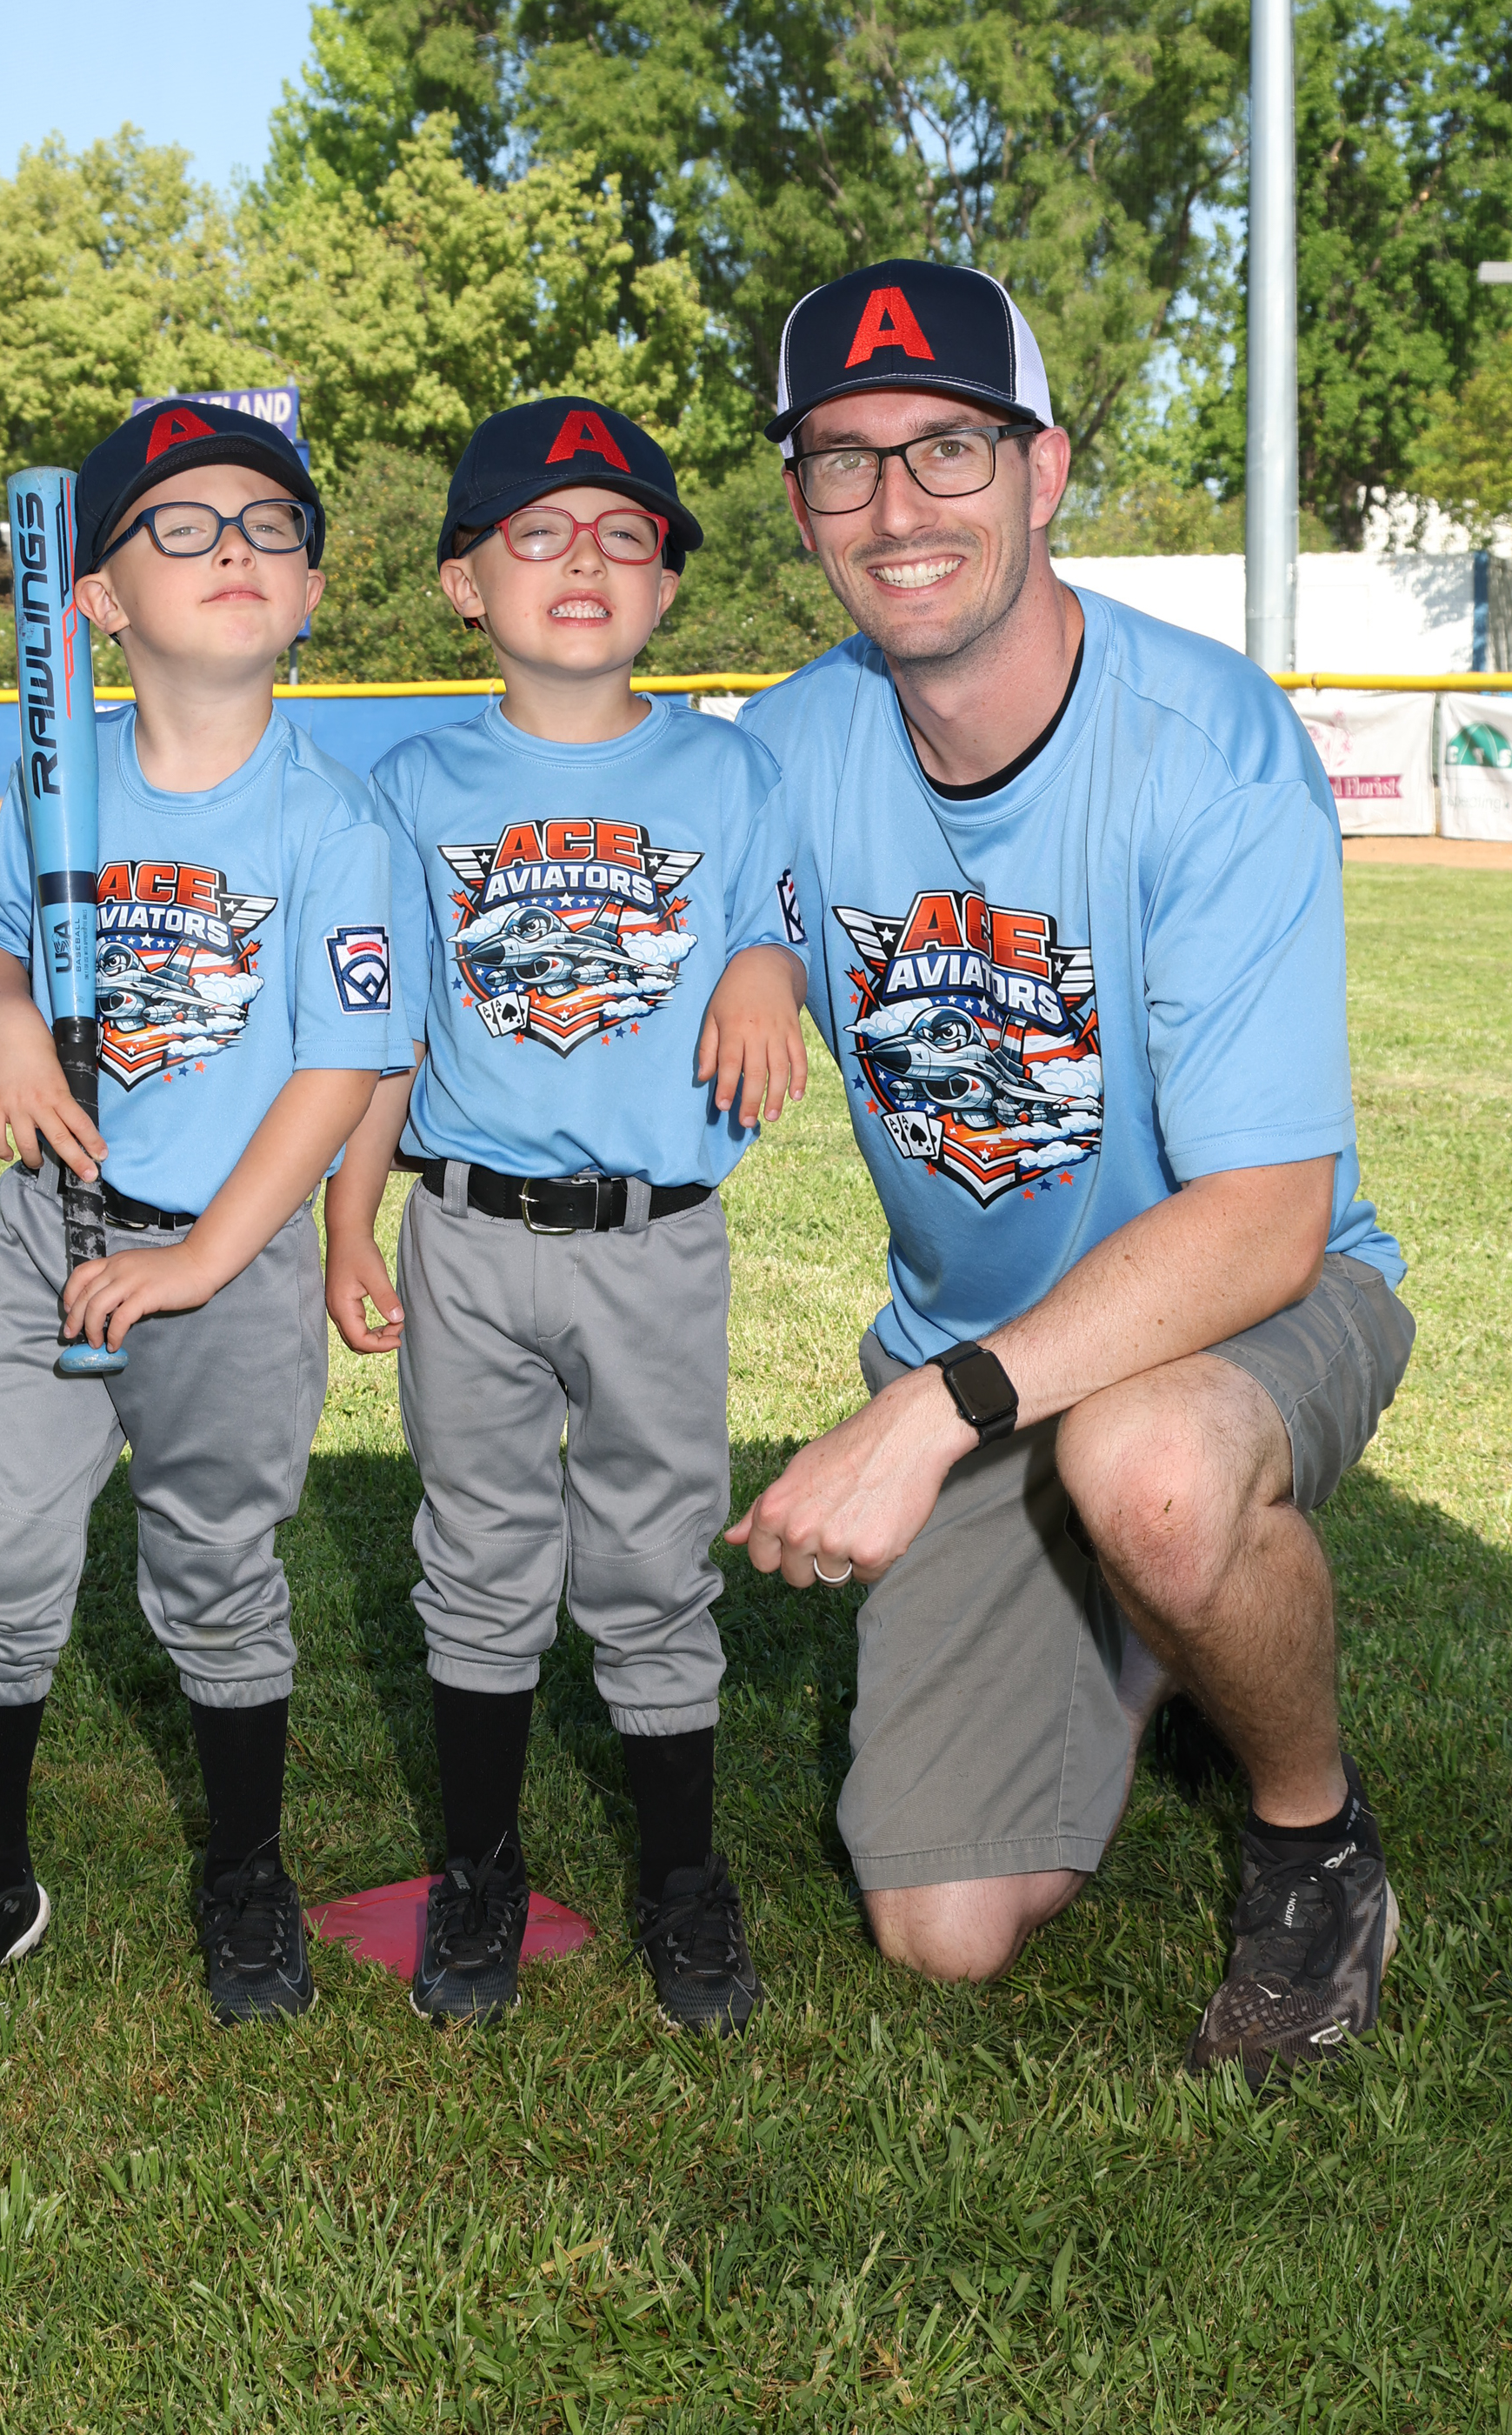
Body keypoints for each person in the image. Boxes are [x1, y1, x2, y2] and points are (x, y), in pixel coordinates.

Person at [731, 261, 1415, 2087]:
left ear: (1042, 470)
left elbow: (1265, 1215)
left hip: (1259, 1299)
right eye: (844, 459)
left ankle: (1310, 1837)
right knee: (944, 1928)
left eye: (947, 448)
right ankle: (1151, 1634)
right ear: (801, 504)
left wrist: (924, 1414)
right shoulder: (782, 752)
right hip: (992, 1348)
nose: (897, 505)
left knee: (1153, 1468)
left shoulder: (1206, 747)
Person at [0, 400, 408, 2031]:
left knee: (218, 1570)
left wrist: (202, 1260)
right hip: (53, 1230)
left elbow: (342, 1068)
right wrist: (7, 1025)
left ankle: (245, 1868)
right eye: (180, 525)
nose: (232, 547)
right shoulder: (63, 782)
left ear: (310, 593)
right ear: (94, 600)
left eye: (267, 525)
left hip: (226, 1257)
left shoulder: (333, 823)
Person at [325, 397, 808, 2034]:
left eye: (624, 535)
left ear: (667, 584)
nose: (583, 559)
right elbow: (384, 1035)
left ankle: (682, 1877)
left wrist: (763, 965)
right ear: (466, 584)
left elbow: (774, 922)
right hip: (463, 1232)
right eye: (536, 533)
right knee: (478, 1554)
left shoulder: (729, 770)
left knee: (656, 1559)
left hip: (656, 1241)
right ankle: (479, 1870)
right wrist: (346, 1225)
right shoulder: (415, 785)